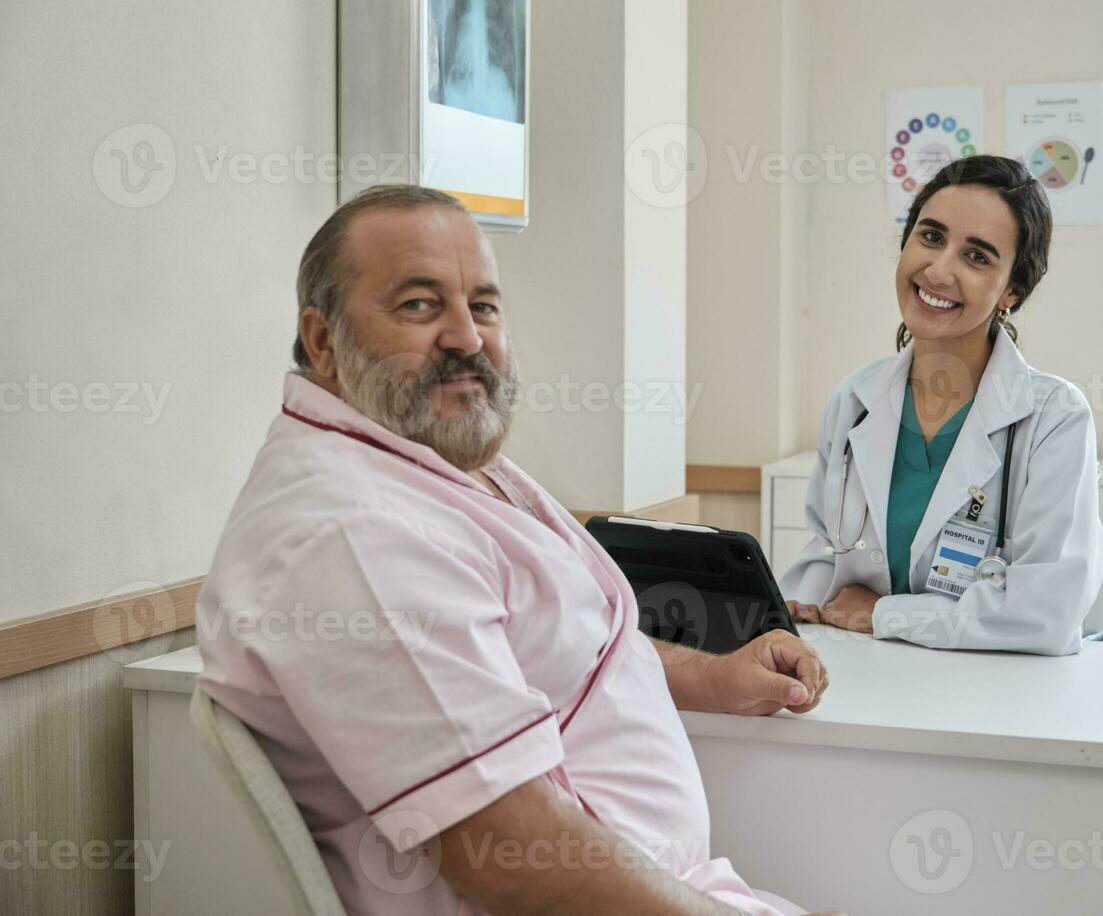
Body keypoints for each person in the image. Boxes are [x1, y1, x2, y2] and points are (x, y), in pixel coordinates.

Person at [196, 185, 835, 916]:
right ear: (322, 342)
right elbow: (512, 862)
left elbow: (548, 643)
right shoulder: (356, 535)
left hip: (674, 882)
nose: (468, 338)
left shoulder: (422, 458)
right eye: (419, 305)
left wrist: (711, 678)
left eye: (485, 306)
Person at [780, 155, 1103, 655]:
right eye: (931, 237)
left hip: (992, 701)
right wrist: (796, 605)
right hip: (866, 681)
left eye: (977, 257)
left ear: (1012, 291)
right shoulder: (855, 401)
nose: (939, 270)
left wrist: (886, 615)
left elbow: (1046, 613)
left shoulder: (1053, 418)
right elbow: (828, 556)